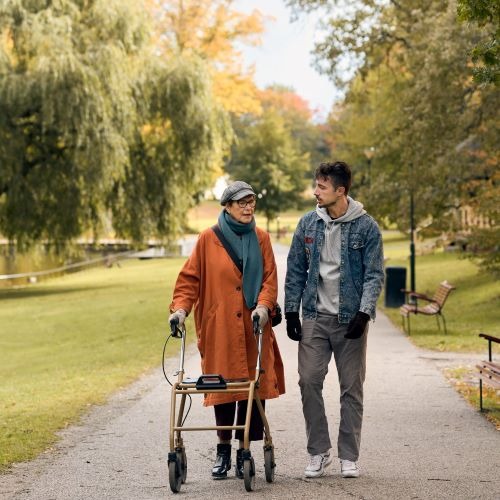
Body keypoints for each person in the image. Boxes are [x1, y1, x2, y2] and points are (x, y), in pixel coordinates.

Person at [169, 181, 285, 480]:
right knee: (221, 386)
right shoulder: (209, 239)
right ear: (228, 206)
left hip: (253, 326)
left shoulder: (261, 238)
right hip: (219, 326)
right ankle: (223, 449)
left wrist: (263, 306)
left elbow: (269, 279)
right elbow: (189, 280)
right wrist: (181, 310)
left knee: (251, 385)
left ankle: (244, 449)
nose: (248, 208)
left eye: (251, 203)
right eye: (242, 203)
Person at [284, 161, 384, 479]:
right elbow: (296, 270)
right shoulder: (306, 225)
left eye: (322, 187)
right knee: (308, 381)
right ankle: (318, 451)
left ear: (340, 191)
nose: (316, 191)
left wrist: (364, 312)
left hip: (350, 320)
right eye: (316, 185)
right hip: (314, 315)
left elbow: (374, 274)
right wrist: (290, 311)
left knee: (351, 388)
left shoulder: (367, 227)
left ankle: (349, 456)